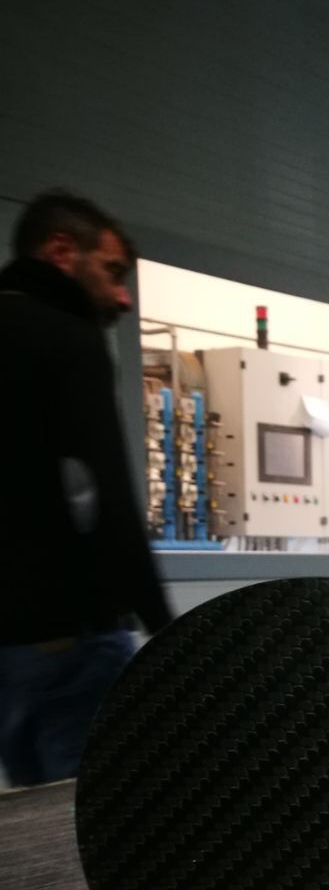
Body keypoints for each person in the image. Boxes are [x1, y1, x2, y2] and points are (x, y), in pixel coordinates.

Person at [0, 189, 170, 787]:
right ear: (62, 250)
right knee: (100, 805)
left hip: (8, 652)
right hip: (70, 637)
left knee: (31, 809)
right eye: (113, 272)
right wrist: (165, 628)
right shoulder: (67, 338)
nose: (123, 298)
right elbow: (101, 492)